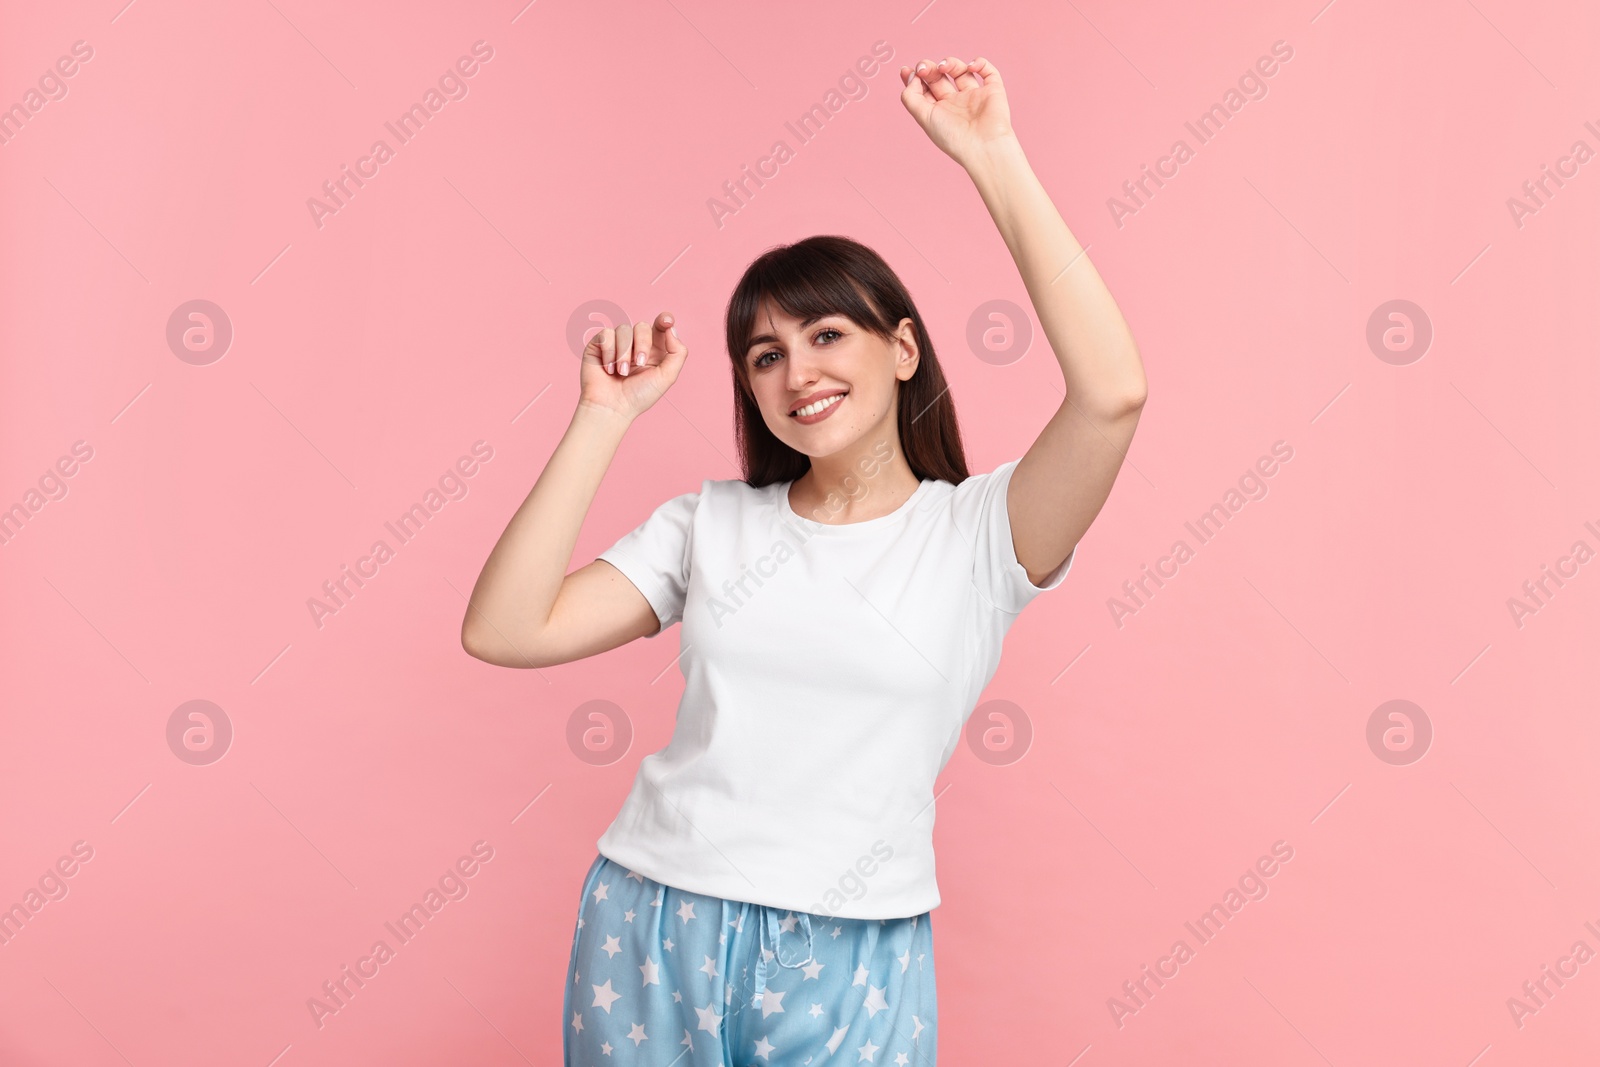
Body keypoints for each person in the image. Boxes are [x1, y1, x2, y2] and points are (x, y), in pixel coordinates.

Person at [461, 54, 1146, 1067]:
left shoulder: (980, 538)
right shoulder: (712, 524)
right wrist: (601, 420)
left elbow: (1111, 395)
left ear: (902, 347)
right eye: (765, 353)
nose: (798, 371)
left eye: (827, 332)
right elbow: (505, 629)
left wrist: (990, 155)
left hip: (853, 944)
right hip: (651, 918)